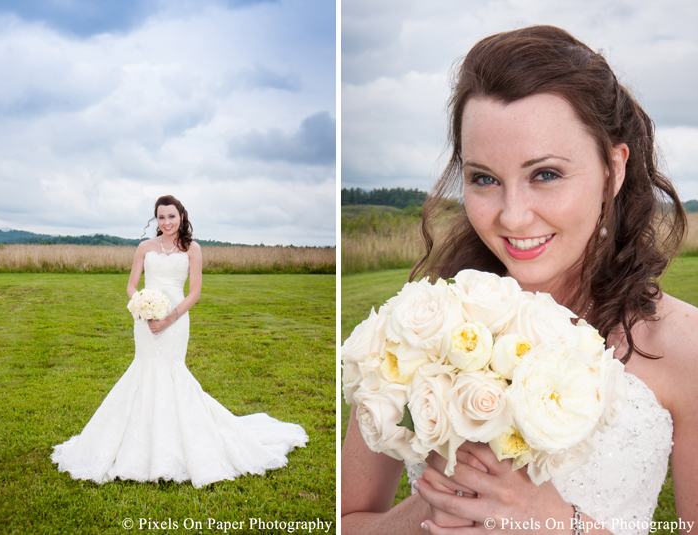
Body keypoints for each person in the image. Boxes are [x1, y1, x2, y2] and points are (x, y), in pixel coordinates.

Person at [341, 25, 698, 534]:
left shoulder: (686, 348)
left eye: (545, 174)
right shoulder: (419, 331)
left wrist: (555, 521)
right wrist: (431, 509)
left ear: (613, 170)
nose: (512, 217)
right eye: (484, 178)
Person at [52, 195, 308, 487]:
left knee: (172, 372)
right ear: (156, 220)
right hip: (145, 320)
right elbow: (131, 284)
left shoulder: (192, 249)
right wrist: (142, 307)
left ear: (182, 217)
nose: (166, 222)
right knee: (144, 369)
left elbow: (194, 293)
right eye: (161, 217)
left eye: (171, 216)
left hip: (176, 318)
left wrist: (168, 318)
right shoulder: (144, 248)